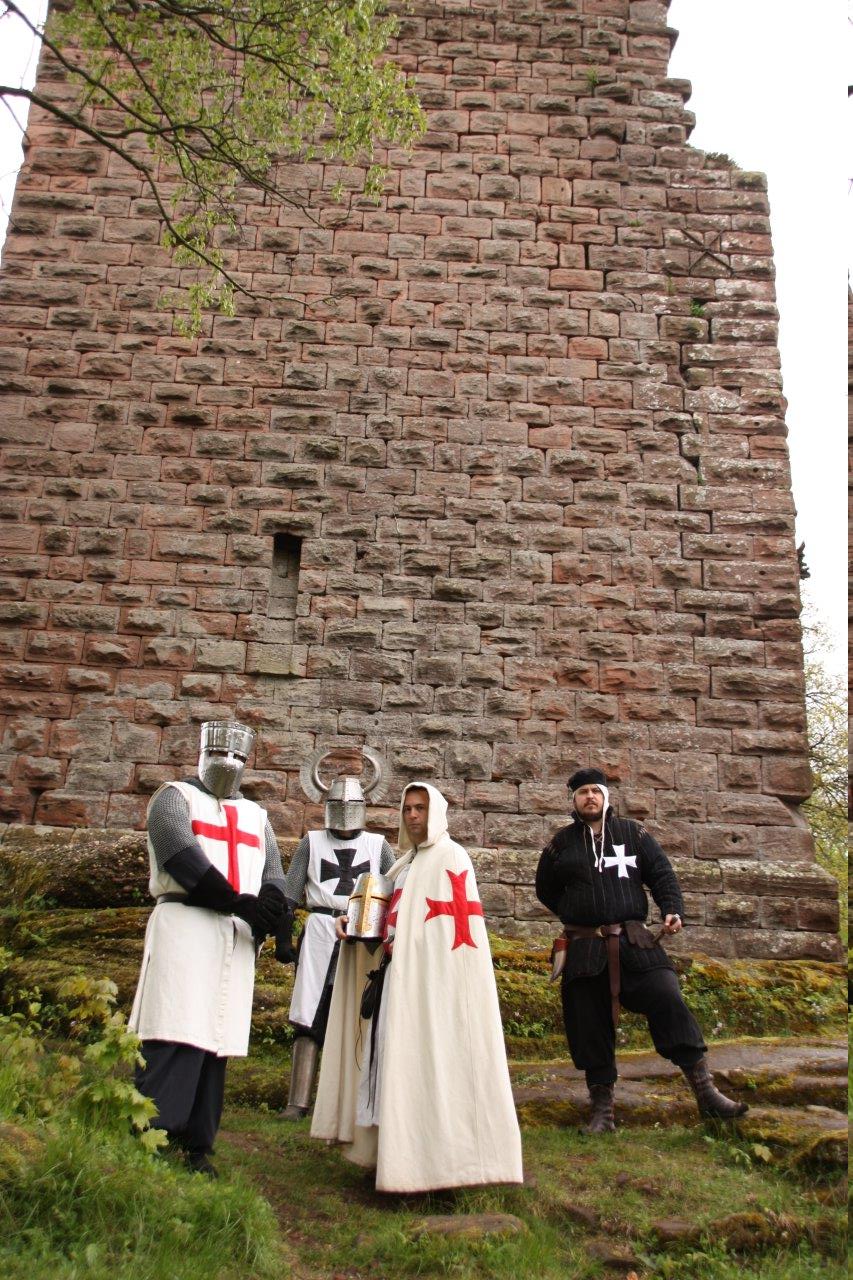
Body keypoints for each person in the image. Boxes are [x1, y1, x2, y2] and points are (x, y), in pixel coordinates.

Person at [311, 782, 523, 1193]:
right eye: (407, 808)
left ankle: (437, 1166)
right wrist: (351, 923)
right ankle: (393, 1158)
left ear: (435, 812)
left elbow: (456, 932)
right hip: (397, 979)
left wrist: (420, 966)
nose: (412, 815)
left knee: (424, 1066)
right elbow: (382, 920)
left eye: (420, 808)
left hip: (431, 987)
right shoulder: (404, 864)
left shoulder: (450, 857)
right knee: (391, 1064)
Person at [535, 767, 748, 1134]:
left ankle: (706, 1092)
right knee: (588, 1022)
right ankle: (603, 1113)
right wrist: (577, 911)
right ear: (574, 799)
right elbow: (545, 889)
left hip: (634, 939)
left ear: (605, 797)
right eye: (583, 792)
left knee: (666, 995)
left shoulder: (633, 834)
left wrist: (672, 909)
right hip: (584, 948)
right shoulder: (561, 844)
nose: (589, 797)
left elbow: (661, 873)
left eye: (595, 791)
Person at [129, 720, 287, 1174]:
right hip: (186, 924)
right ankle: (153, 1134)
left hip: (235, 938)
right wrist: (236, 901)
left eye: (238, 756)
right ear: (202, 752)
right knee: (174, 1025)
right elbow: (181, 856)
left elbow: (273, 873)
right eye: (220, 753)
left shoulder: (256, 815)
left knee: (217, 1037)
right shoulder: (174, 797)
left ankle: (197, 1145)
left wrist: (272, 911)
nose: (228, 763)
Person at [278, 761, 395, 1119]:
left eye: (351, 805)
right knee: (309, 1014)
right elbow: (289, 895)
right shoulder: (311, 843)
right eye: (337, 804)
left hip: (363, 933)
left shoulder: (378, 846)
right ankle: (297, 1102)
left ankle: (349, 1103)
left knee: (357, 1014)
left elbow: (393, 893)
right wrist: (284, 936)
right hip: (318, 931)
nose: (344, 811)